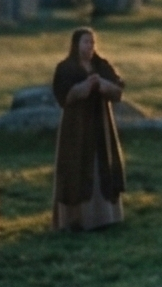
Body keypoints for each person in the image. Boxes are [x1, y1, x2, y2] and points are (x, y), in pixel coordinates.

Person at [51, 28, 127, 231]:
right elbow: (63, 95)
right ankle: (76, 219)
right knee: (76, 166)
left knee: (102, 163)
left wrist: (103, 84)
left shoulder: (101, 65)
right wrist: (82, 88)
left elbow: (118, 89)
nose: (90, 46)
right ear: (76, 44)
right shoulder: (66, 68)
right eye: (86, 42)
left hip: (101, 124)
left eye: (92, 43)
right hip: (76, 126)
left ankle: (105, 217)